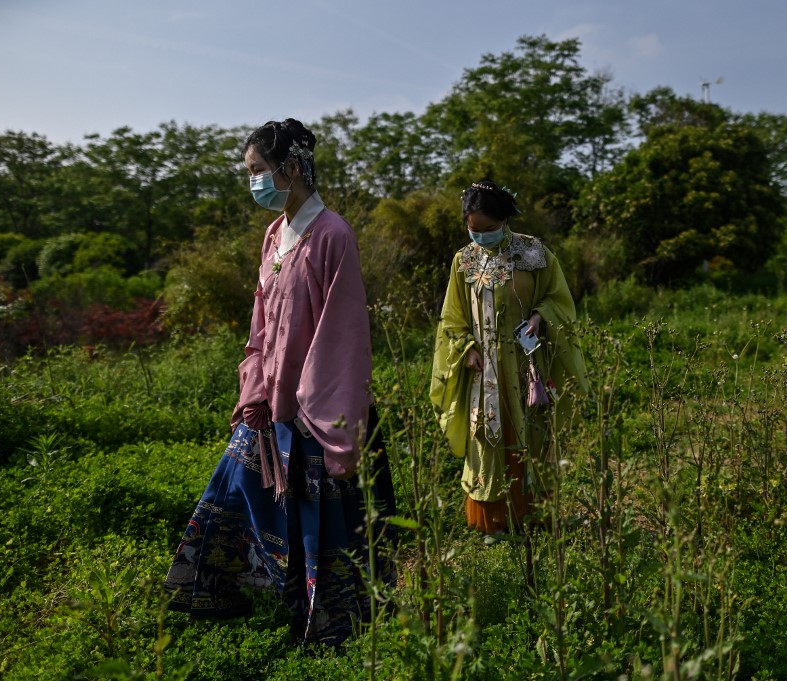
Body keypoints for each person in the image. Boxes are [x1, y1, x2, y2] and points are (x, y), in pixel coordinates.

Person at [164, 119, 396, 646]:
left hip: (321, 406)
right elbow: (262, 321)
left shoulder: (333, 234)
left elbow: (341, 333)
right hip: (270, 399)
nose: (254, 183)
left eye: (258, 172)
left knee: (325, 524)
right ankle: (234, 597)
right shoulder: (274, 235)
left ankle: (329, 628)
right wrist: (257, 389)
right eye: (250, 173)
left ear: (291, 170)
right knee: (235, 487)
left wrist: (313, 411)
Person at [430, 180, 588, 543]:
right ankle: (493, 522)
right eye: (474, 230)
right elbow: (452, 316)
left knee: (530, 433)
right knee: (487, 436)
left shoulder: (534, 253)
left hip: (527, 364)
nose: (481, 236)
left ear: (505, 220)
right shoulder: (463, 261)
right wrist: (466, 347)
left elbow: (559, 300)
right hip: (482, 369)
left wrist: (538, 316)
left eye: (489, 229)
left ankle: (534, 515)